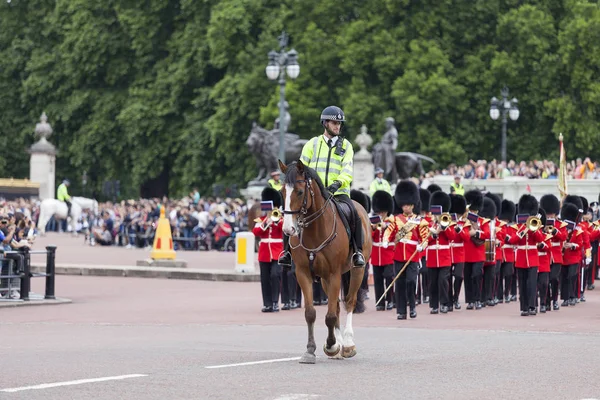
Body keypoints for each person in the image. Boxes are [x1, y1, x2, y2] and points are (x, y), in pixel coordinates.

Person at [278, 105, 366, 268]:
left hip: (338, 192)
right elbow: (301, 168)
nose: (337, 126)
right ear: (325, 123)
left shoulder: (346, 146)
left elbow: (347, 169)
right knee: (291, 213)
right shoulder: (312, 144)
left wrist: (337, 183)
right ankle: (287, 252)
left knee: (354, 213)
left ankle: (357, 252)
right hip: (314, 192)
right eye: (334, 123)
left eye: (339, 124)